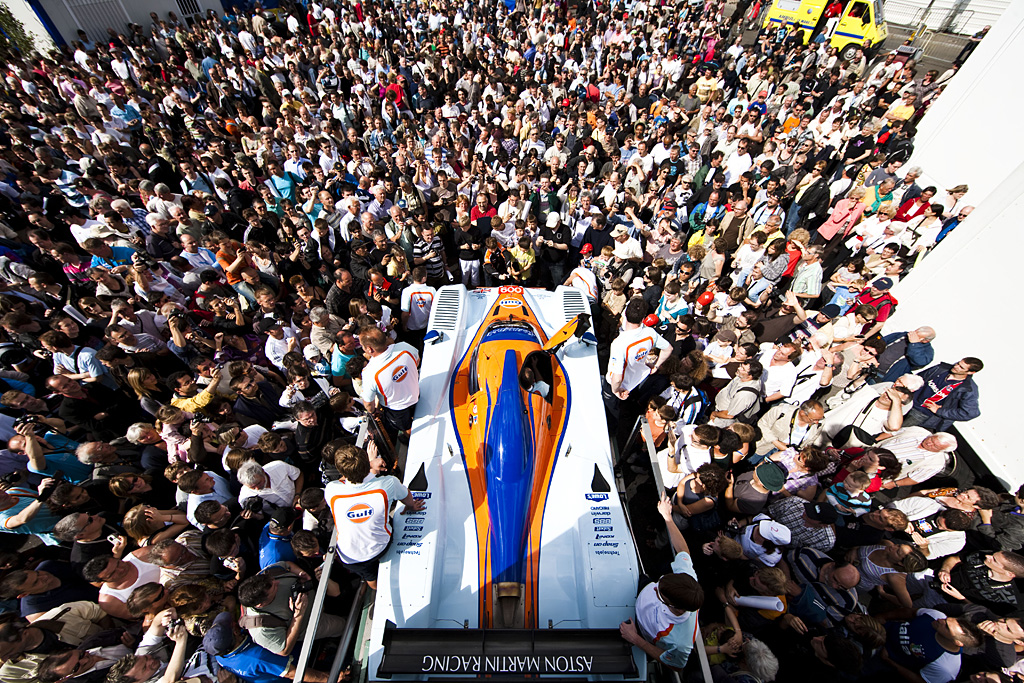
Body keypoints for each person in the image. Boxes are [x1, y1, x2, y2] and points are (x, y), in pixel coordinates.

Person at [619, 495, 703, 670]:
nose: (657, 589)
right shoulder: (688, 579)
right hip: (641, 587)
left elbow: (675, 664)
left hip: (638, 627)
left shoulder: (681, 642)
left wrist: (635, 639)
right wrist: (668, 517)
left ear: (676, 607)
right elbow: (683, 550)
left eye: (660, 593)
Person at [325, 444, 424, 589]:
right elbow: (407, 497)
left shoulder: (331, 490)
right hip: (381, 546)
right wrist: (412, 506)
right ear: (366, 463)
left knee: (370, 577)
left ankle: (376, 588)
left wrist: (370, 465)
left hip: (350, 557)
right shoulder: (388, 483)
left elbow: (348, 480)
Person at [358, 326, 420, 434]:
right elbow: (417, 360)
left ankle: (407, 437)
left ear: (369, 349)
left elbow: (368, 404)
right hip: (417, 394)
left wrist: (373, 411)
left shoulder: (369, 373)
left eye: (362, 346)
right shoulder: (404, 347)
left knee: (406, 428)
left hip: (396, 410)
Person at [904, 358, 983, 431]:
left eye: (961, 367)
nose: (956, 366)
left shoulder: (968, 389)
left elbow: (970, 413)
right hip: (909, 400)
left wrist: (939, 411)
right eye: (958, 363)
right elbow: (918, 378)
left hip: (922, 412)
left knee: (896, 432)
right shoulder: (941, 369)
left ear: (970, 372)